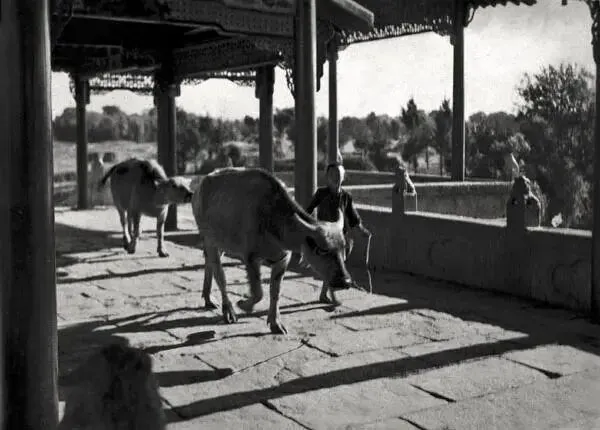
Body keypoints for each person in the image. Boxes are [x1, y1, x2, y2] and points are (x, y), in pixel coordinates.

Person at [306, 162, 371, 305]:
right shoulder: (321, 193)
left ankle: (324, 295)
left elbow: (353, 218)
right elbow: (308, 210)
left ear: (343, 177)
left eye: (338, 174)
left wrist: (362, 230)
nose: (335, 177)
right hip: (325, 237)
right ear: (327, 177)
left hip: (340, 240)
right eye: (332, 174)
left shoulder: (346, 197)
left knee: (334, 267)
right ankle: (329, 296)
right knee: (333, 267)